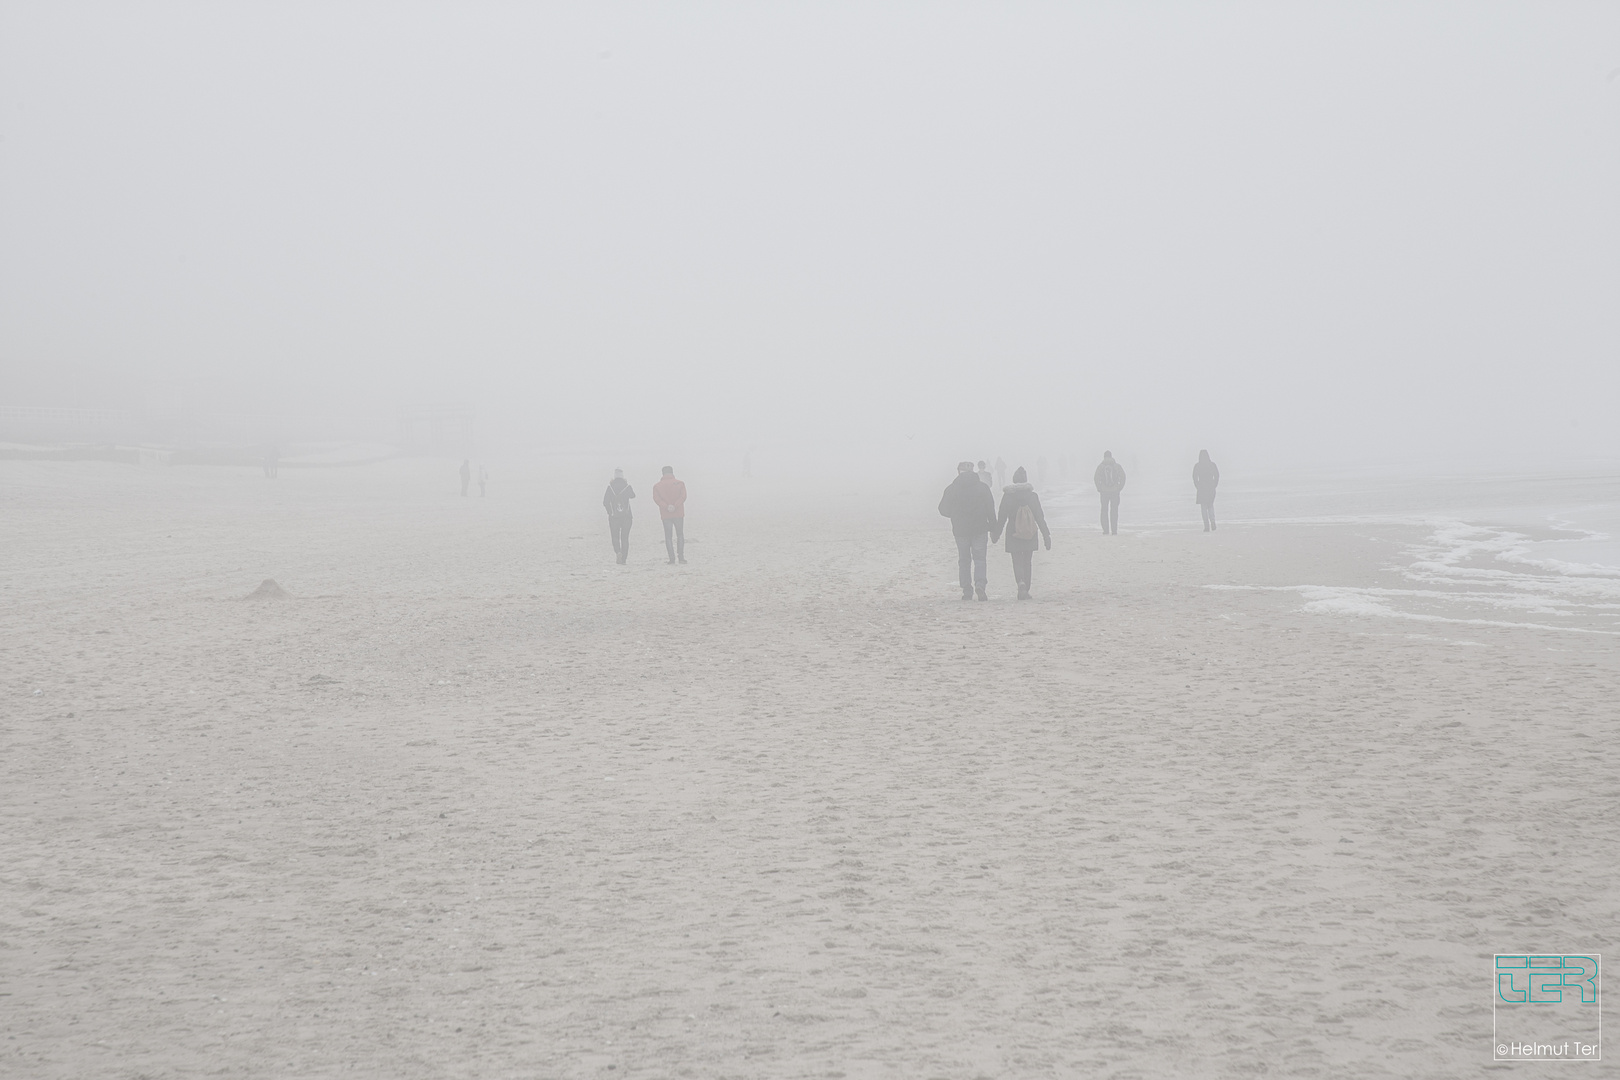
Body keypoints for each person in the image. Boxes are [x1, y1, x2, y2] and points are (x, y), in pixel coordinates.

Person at [938, 460, 996, 600]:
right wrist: (994, 528)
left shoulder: (952, 488)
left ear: (959, 471)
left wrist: (955, 515)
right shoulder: (983, 488)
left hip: (960, 530)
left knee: (964, 560)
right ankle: (980, 584)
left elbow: (942, 509)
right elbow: (990, 508)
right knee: (980, 559)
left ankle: (966, 589)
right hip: (980, 528)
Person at [993, 466, 1051, 600]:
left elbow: (1001, 516)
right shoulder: (1032, 496)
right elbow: (1039, 516)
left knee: (1016, 560)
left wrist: (996, 534)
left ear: (1014, 480)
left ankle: (1021, 583)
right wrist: (1046, 535)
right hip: (1030, 531)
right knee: (1027, 561)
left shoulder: (1008, 496)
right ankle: (1027, 589)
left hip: (1013, 531)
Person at [653, 465, 687, 564]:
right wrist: (675, 506)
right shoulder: (680, 483)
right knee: (680, 534)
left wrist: (666, 506)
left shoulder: (657, 486)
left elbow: (657, 499)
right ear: (672, 473)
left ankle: (671, 559)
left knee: (668, 536)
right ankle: (681, 557)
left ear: (662, 473)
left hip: (665, 514)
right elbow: (683, 496)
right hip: (678, 513)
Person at [603, 468, 635, 563]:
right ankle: (624, 559)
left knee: (615, 537)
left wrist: (610, 512)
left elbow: (605, 502)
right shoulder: (627, 486)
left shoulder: (610, 487)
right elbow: (633, 495)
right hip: (627, 516)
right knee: (625, 537)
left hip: (614, 517)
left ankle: (618, 552)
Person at [1094, 451, 1126, 534]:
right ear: (1111, 456)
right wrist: (1119, 488)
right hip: (1115, 491)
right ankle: (1114, 531)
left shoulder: (1100, 467)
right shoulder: (1117, 466)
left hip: (1104, 492)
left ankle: (1105, 530)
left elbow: (1096, 478)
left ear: (1104, 457)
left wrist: (1099, 488)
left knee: (1104, 510)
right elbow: (1123, 477)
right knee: (1114, 511)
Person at [1193, 449, 1220, 531]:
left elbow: (1194, 477)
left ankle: (1206, 526)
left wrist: (1197, 486)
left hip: (1201, 488)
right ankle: (1213, 522)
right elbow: (1217, 475)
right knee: (1210, 505)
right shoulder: (1212, 465)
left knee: (1203, 507)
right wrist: (1214, 485)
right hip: (1210, 488)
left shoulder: (1197, 466)